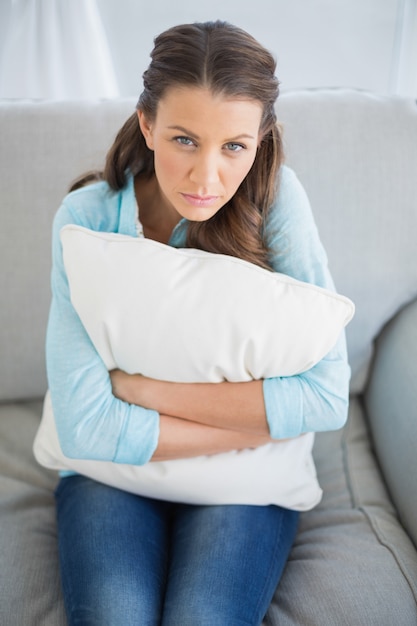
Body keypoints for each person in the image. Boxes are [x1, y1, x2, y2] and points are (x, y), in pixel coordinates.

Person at [46, 21, 350, 625]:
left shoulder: (276, 201)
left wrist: (142, 391)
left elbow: (325, 396)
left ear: (259, 141)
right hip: (112, 479)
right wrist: (263, 423)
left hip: (243, 488)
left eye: (233, 146)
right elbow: (85, 430)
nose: (206, 178)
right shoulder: (86, 219)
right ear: (147, 124)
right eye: (185, 140)